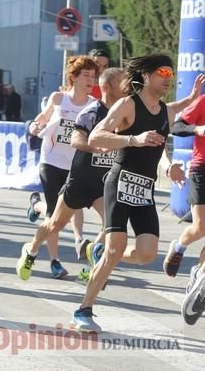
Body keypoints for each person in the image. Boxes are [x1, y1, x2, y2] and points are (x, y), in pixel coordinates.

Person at [70, 55, 205, 332]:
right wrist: (133, 139)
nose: (168, 77)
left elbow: (160, 151)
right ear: (145, 75)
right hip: (120, 183)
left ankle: (101, 251)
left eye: (171, 72)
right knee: (115, 249)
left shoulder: (164, 111)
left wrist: (170, 169)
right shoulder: (127, 104)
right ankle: (84, 309)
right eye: (162, 71)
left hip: (144, 190)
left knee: (146, 254)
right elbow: (95, 136)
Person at [16, 67, 124, 281]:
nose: (128, 87)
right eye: (123, 82)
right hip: (75, 176)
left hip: (102, 182)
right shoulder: (91, 110)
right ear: (108, 87)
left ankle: (91, 265)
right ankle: (31, 249)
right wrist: (97, 147)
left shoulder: (124, 113)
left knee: (111, 222)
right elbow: (76, 139)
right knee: (54, 223)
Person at [24, 55, 97, 278]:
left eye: (93, 76)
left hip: (75, 165)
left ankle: (36, 205)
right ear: (73, 78)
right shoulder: (59, 98)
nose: (90, 80)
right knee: (55, 218)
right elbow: (43, 117)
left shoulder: (93, 105)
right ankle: (55, 261)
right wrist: (36, 125)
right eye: (86, 76)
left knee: (65, 211)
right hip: (51, 160)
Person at [163, 91, 205, 325]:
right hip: (202, 168)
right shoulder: (203, 102)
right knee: (200, 227)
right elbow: (177, 127)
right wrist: (197, 130)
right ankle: (178, 246)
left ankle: (200, 275)